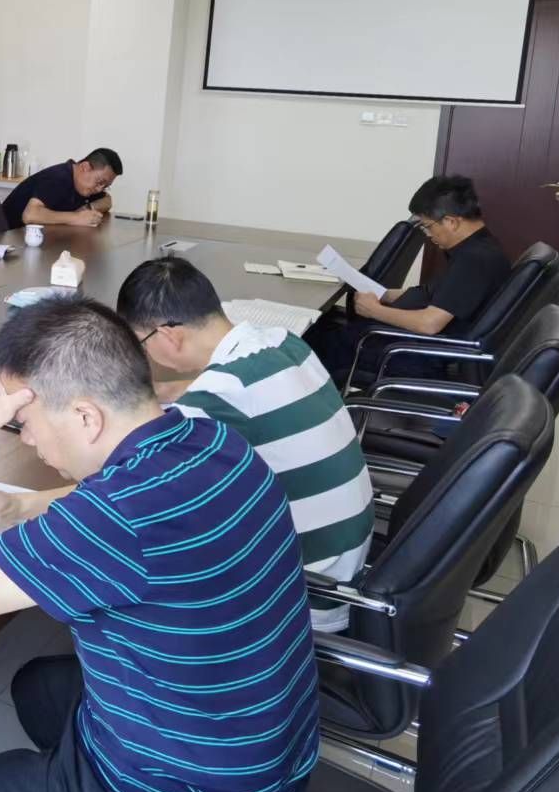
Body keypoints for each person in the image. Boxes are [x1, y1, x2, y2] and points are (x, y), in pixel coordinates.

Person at [0, 298, 319, 792]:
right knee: (37, 688)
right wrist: (18, 508)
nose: (26, 439)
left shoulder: (112, 519)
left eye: (25, 422)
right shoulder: (215, 442)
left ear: (85, 417)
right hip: (268, 761)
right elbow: (123, 508)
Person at [117, 256, 375, 632]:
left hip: (306, 595)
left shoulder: (216, 397)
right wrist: (169, 390)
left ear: (168, 335)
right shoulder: (282, 342)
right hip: (346, 565)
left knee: (149, 547)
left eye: (142, 343)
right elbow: (235, 391)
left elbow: (132, 487)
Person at [305, 174, 513, 386]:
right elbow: (436, 294)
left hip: (419, 355)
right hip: (414, 343)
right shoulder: (478, 247)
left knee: (311, 343)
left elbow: (429, 323)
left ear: (451, 222)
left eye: (428, 226)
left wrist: (374, 310)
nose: (428, 235)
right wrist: (385, 294)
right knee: (325, 328)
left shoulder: (474, 260)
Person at [1, 148, 120, 230]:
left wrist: (87, 208)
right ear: (85, 167)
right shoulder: (58, 177)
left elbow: (107, 200)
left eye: (105, 186)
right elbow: (30, 215)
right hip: (7, 236)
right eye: (100, 182)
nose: (100, 189)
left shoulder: (85, 183)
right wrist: (77, 217)